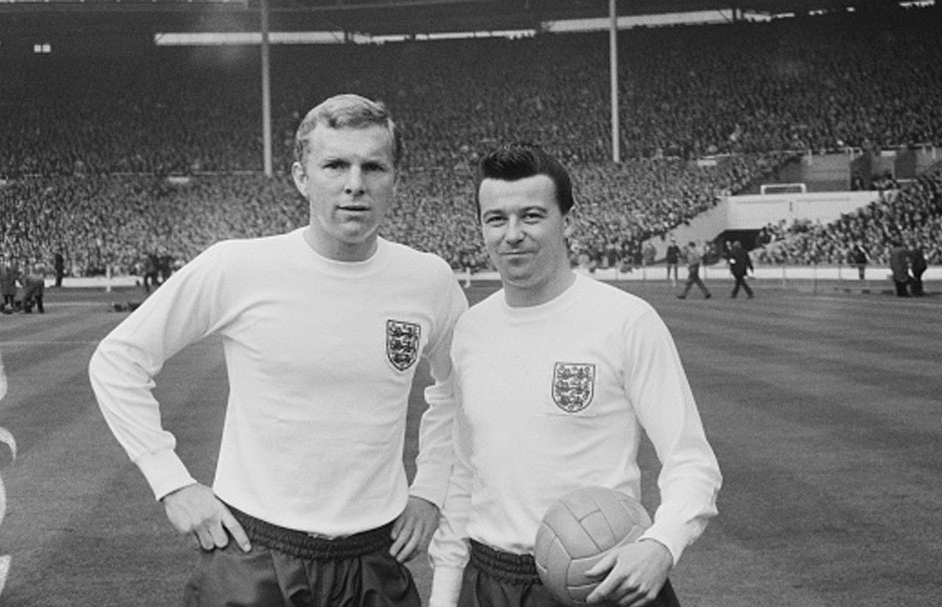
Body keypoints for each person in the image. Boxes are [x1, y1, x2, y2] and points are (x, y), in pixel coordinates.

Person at [89, 94, 468, 607]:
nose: (355, 183)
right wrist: (171, 482)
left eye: (372, 166)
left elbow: (459, 389)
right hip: (255, 555)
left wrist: (430, 488)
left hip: (376, 558)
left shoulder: (429, 280)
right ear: (300, 177)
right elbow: (118, 360)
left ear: (394, 180)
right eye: (335, 164)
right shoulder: (238, 267)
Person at [428, 142, 721, 607]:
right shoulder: (469, 331)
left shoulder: (626, 321)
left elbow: (691, 461)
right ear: (481, 227)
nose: (513, 234)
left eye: (531, 215)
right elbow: (464, 473)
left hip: (602, 581)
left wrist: (661, 544)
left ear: (569, 219)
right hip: (489, 582)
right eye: (496, 219)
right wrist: (444, 595)